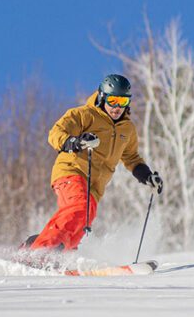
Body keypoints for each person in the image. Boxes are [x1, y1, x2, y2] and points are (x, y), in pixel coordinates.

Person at [24, 74, 163, 253]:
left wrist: (147, 176)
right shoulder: (84, 115)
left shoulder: (127, 129)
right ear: (102, 97)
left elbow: (131, 157)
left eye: (123, 101)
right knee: (78, 208)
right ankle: (41, 252)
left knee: (82, 222)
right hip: (72, 171)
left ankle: (47, 251)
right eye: (113, 100)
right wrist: (75, 142)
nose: (117, 107)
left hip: (94, 188)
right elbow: (56, 132)